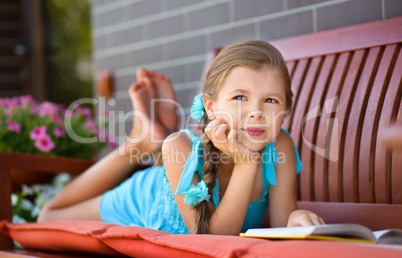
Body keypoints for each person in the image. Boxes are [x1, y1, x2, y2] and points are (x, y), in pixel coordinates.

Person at [38, 40, 325, 235]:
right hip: (143, 199)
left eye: (271, 101)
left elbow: (281, 223)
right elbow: (215, 239)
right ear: (210, 107)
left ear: (286, 109)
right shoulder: (180, 147)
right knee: (48, 216)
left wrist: (294, 220)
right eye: (240, 97)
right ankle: (138, 143)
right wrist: (246, 163)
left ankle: (146, 139)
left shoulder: (280, 145)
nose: (256, 113)